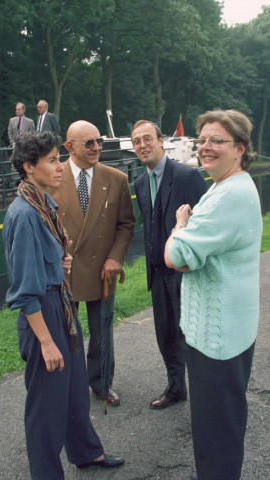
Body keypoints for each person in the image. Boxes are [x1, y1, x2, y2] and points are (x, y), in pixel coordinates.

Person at [2, 131, 124, 480]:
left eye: (59, 158)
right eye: (53, 160)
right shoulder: (24, 214)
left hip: (61, 305)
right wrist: (45, 341)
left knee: (73, 392)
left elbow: (48, 258)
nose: (60, 167)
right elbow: (24, 291)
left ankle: (86, 452)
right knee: (46, 405)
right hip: (44, 313)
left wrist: (61, 262)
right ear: (28, 166)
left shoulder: (44, 203)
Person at [164, 109, 262, 480]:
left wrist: (180, 226)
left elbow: (174, 257)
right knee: (225, 422)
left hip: (216, 341)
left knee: (215, 430)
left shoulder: (226, 197)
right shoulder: (230, 185)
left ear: (239, 148)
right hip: (230, 331)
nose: (205, 147)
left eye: (216, 140)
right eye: (201, 140)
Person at [50, 120, 135, 406]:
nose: (96, 147)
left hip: (103, 270)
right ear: (69, 146)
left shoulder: (116, 179)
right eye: (89, 143)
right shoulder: (50, 176)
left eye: (99, 141)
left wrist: (115, 258)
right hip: (65, 272)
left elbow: (125, 225)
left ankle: (101, 383)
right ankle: (69, 384)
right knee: (65, 332)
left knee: (102, 332)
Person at [132, 120, 207, 409]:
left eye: (147, 139)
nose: (142, 145)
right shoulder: (139, 183)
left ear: (161, 141)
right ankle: (176, 388)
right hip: (158, 275)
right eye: (137, 141)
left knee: (193, 336)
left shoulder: (187, 175)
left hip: (186, 273)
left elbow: (204, 225)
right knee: (166, 335)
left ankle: (204, 396)